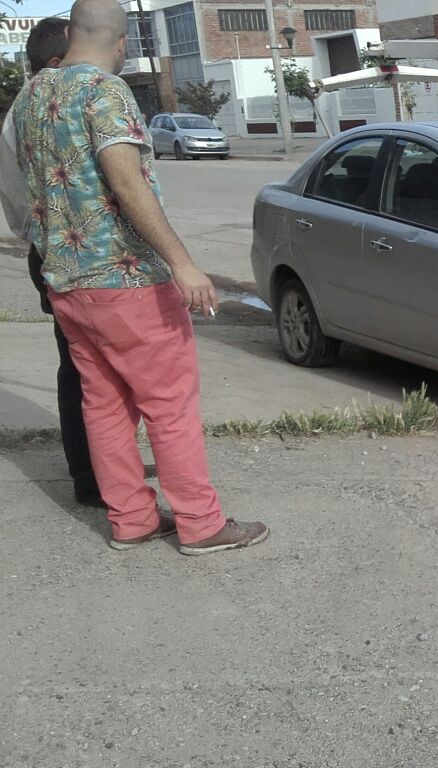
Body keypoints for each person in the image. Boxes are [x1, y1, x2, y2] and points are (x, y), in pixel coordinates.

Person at [11, 0, 268, 555]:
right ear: (123, 43)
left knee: (102, 405)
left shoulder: (32, 96)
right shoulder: (104, 91)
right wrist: (183, 263)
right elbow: (128, 185)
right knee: (169, 404)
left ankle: (131, 520)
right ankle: (201, 524)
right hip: (127, 281)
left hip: (66, 279)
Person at [0, 17, 104, 508]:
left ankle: (100, 467)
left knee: (82, 365)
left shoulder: (26, 109)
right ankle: (91, 475)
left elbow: (18, 207)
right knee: (84, 368)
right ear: (57, 60)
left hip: (51, 250)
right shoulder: (42, 110)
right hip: (71, 254)